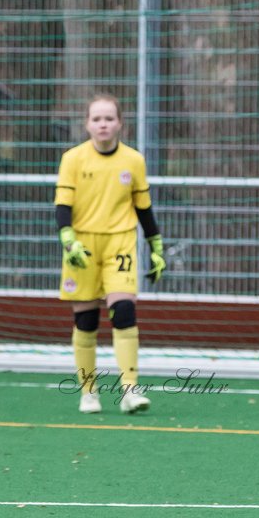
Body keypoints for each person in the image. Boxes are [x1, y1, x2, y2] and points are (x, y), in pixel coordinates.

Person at [55, 92, 167, 415]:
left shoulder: (133, 161)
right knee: (87, 320)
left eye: (109, 118)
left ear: (120, 123)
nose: (103, 124)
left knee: (124, 312)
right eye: (96, 119)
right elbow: (63, 208)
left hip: (120, 243)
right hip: (83, 248)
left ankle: (130, 389)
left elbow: (144, 209)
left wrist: (156, 246)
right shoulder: (73, 159)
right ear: (87, 124)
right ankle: (89, 392)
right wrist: (69, 242)